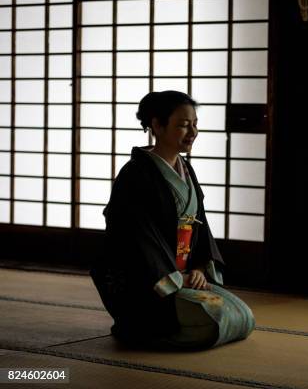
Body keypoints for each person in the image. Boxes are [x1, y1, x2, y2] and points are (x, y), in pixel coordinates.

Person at [90, 90, 255, 350]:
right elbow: (136, 237)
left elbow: (201, 225)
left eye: (195, 124)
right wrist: (176, 276)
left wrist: (200, 269)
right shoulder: (135, 175)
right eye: (183, 125)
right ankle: (140, 328)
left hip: (187, 274)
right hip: (151, 283)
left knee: (244, 317)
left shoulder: (186, 169)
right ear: (157, 125)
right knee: (216, 319)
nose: (192, 132)